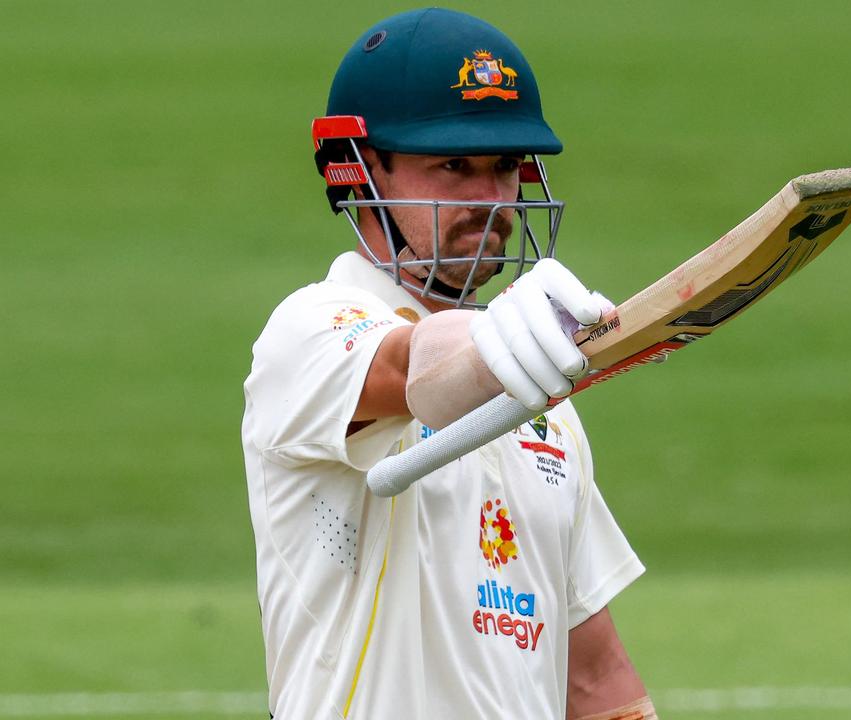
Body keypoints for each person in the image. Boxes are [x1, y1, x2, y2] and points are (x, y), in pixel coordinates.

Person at [241, 8, 656, 719]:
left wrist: (508, 354)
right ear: (365, 171)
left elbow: (594, 681)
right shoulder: (306, 332)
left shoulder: (546, 406)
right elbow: (408, 370)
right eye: (454, 166)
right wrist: (497, 344)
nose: (492, 200)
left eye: (504, 168)